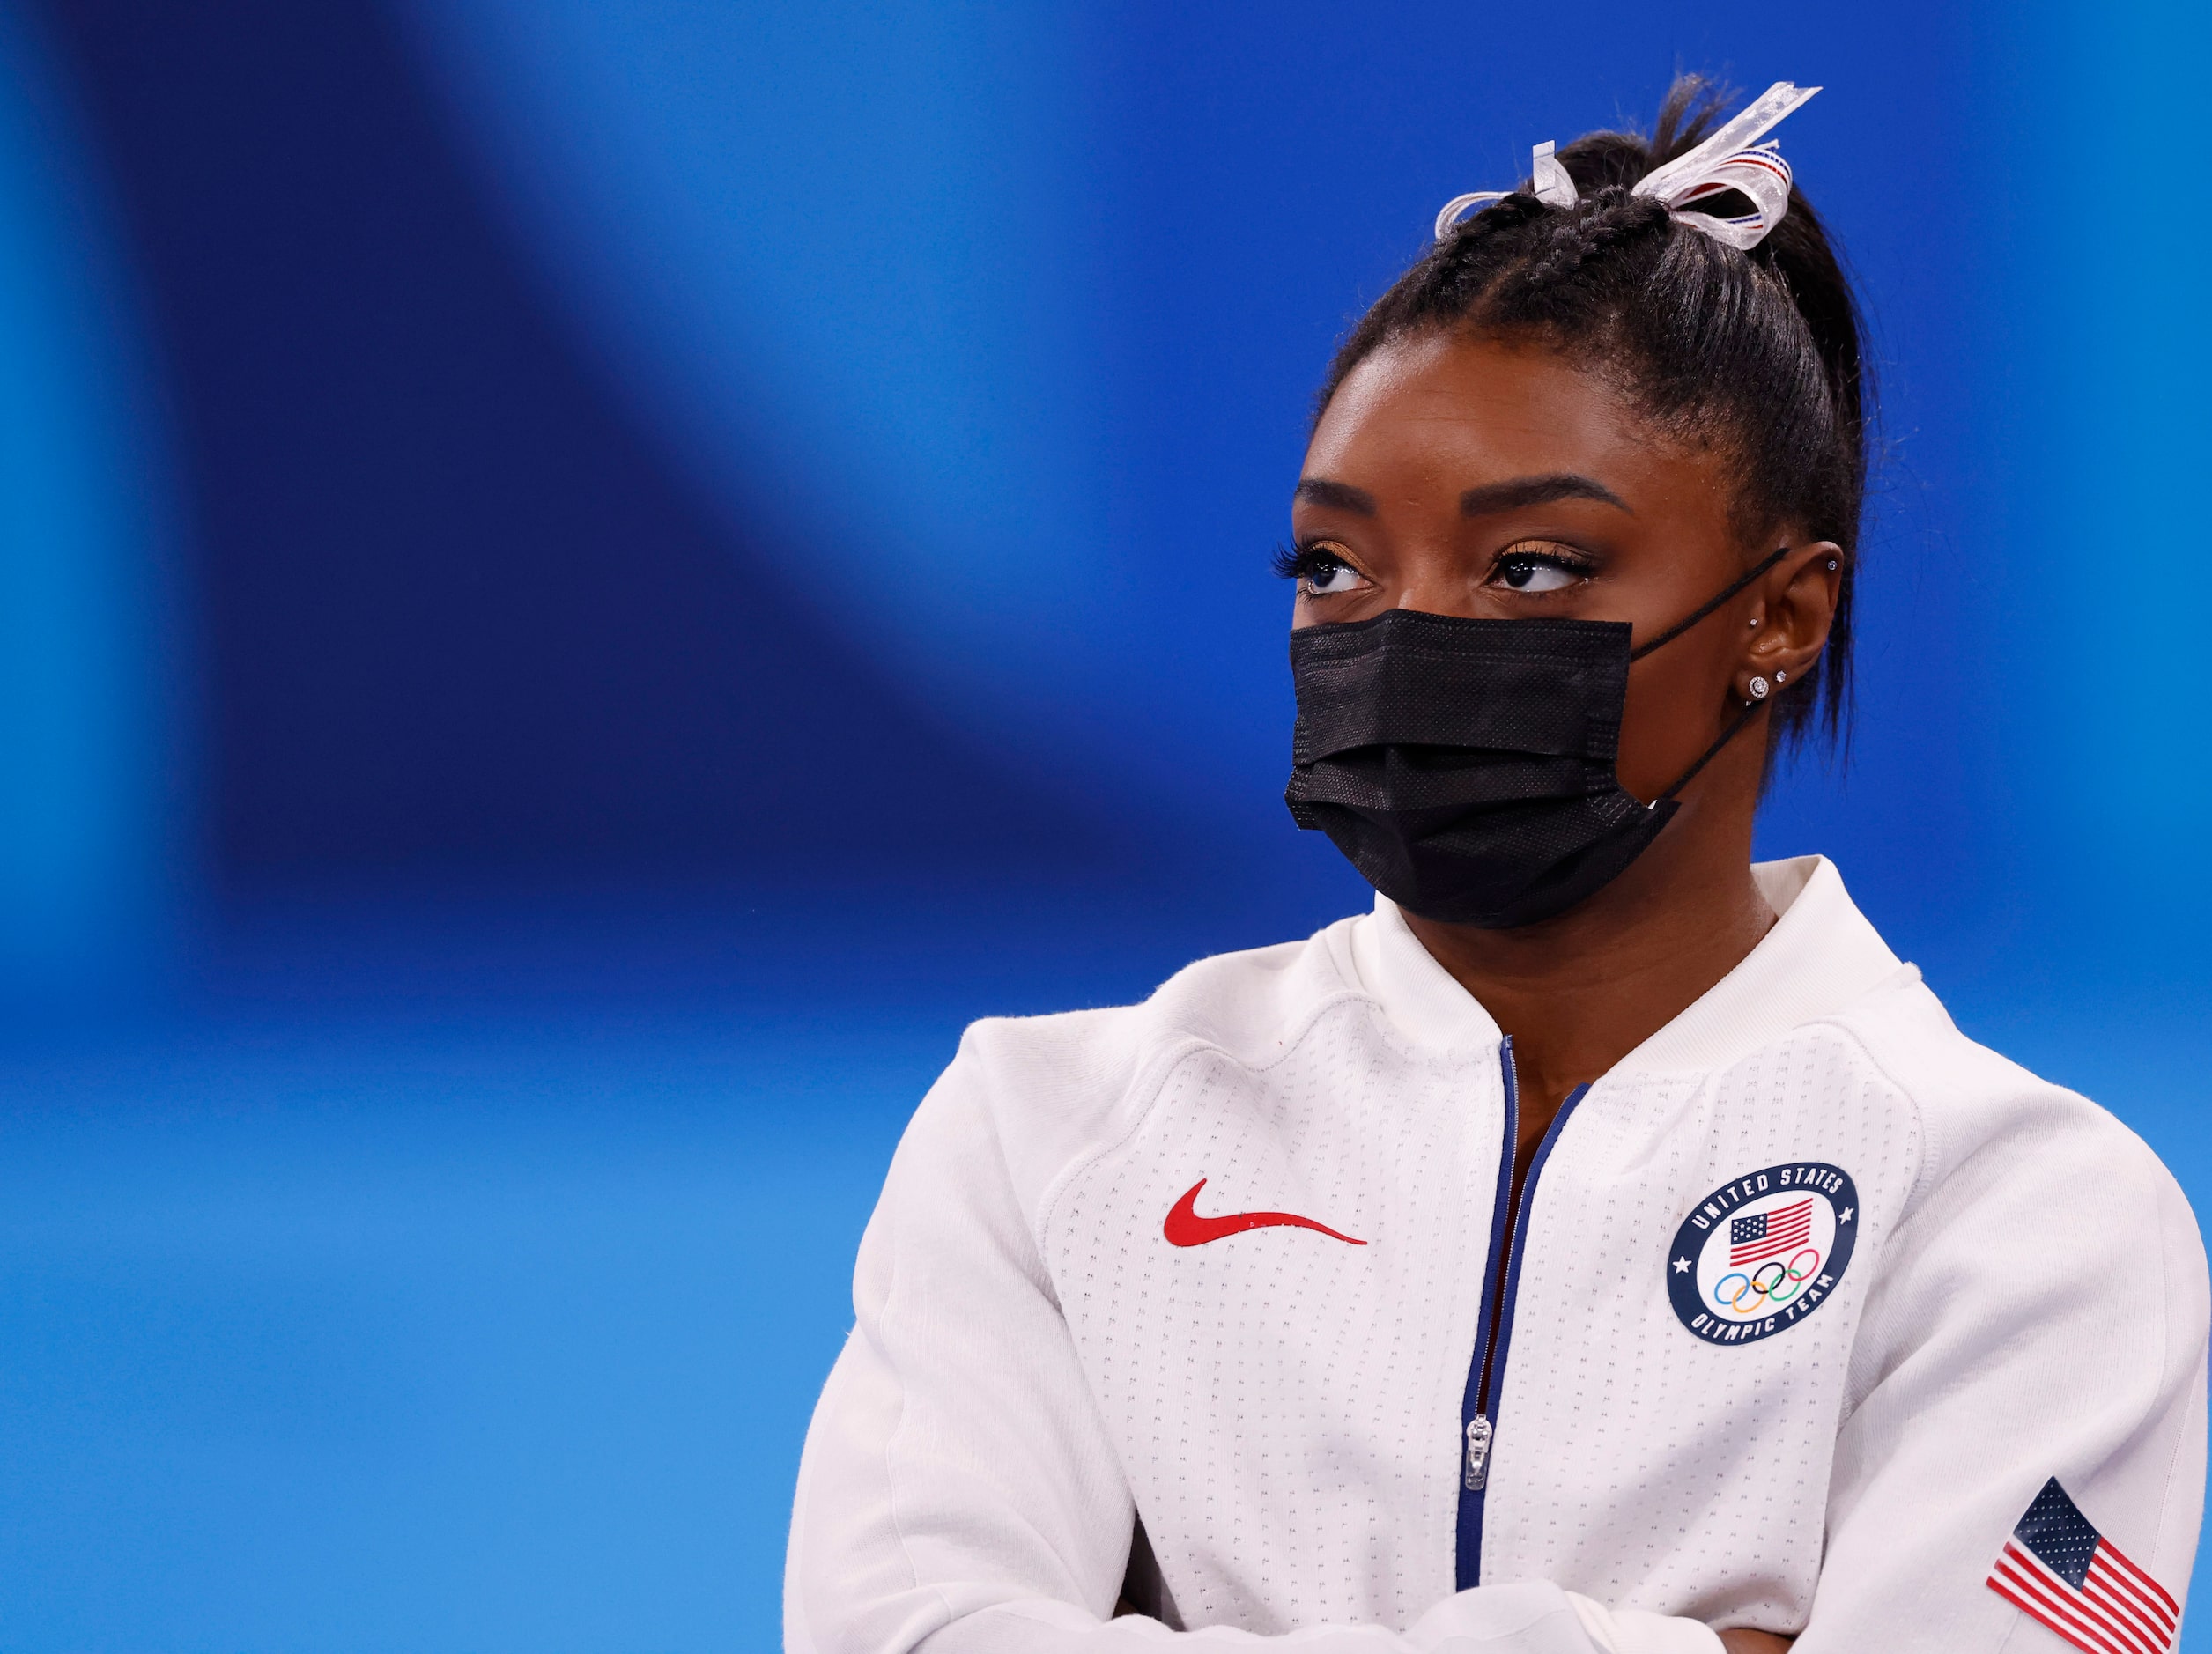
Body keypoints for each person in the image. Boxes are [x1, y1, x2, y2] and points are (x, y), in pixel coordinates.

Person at [783, 78, 2208, 1654]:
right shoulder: (1045, 1139)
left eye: (1529, 567)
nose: (1404, 638)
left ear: (1781, 617)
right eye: (1335, 566)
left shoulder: (2030, 1219)